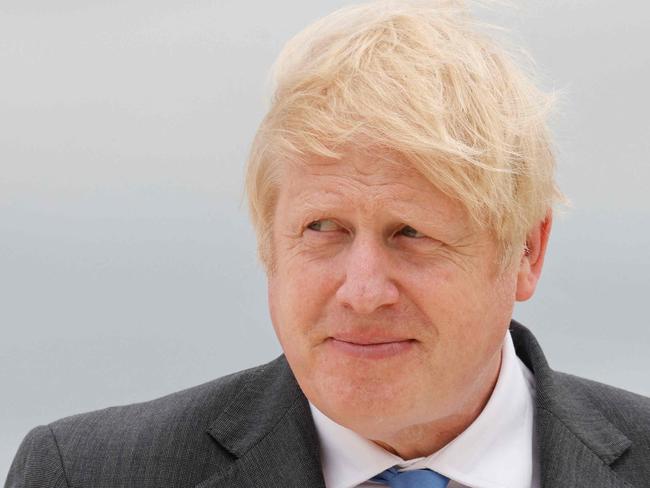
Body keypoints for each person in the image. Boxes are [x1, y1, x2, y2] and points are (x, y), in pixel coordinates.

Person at [5, 2, 650, 487]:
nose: (363, 292)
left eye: (411, 234)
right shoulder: (84, 474)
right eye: (322, 229)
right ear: (269, 244)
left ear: (526, 253)